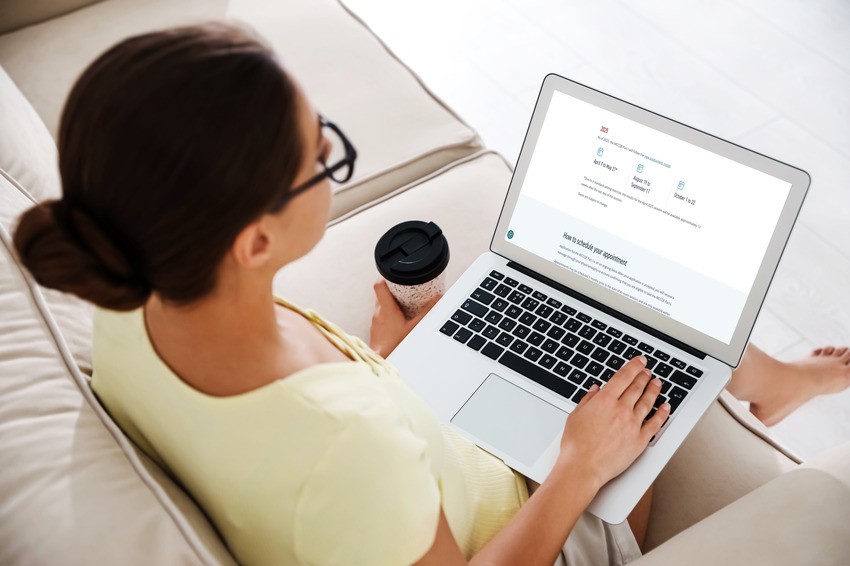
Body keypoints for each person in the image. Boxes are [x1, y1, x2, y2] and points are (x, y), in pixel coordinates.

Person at [12, 23, 850, 566]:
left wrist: (382, 361)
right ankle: (767, 381)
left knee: (583, 306)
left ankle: (763, 378)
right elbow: (356, 471)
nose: (334, 162)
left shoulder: (127, 306)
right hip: (520, 520)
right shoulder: (348, 453)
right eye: (322, 156)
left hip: (421, 457)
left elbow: (309, 452)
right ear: (254, 240)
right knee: (641, 341)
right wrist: (578, 466)